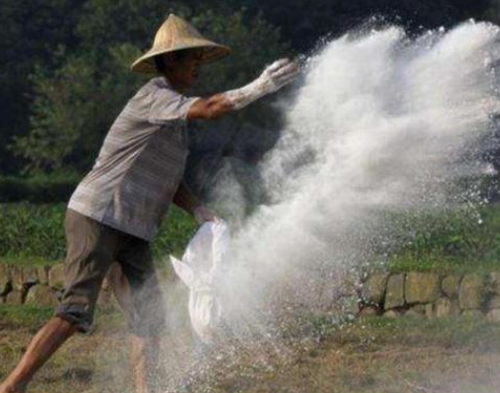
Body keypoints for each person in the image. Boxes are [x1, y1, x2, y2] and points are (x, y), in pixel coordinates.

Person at [0, 13, 298, 393]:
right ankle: (13, 385)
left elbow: (170, 182)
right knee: (75, 311)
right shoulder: (155, 97)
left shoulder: (173, 121)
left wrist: (199, 211)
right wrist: (262, 85)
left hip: (134, 229)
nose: (197, 68)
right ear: (170, 61)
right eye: (192, 59)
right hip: (99, 216)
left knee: (149, 320)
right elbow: (210, 109)